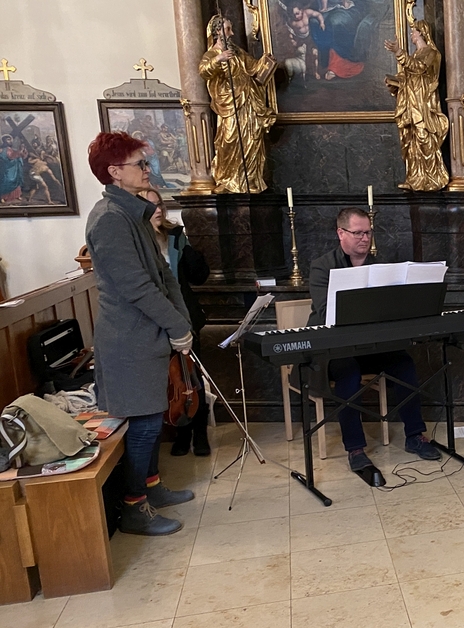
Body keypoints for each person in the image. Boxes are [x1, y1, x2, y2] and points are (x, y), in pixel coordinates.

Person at [85, 131, 195, 536]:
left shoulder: (133, 212)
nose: (148, 170)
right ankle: (134, 507)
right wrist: (175, 325)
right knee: (146, 424)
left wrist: (181, 321)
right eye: (140, 164)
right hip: (128, 340)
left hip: (148, 335)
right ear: (114, 172)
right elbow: (136, 288)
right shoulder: (110, 219)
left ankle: (152, 487)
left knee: (151, 419)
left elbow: (164, 276)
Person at [307, 207, 441, 471]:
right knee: (348, 372)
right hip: (335, 347)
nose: (364, 238)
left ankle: (415, 436)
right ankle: (355, 449)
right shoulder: (323, 266)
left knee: (404, 364)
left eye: (368, 232)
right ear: (341, 233)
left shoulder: (380, 267)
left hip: (370, 345)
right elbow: (325, 312)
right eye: (358, 233)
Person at [143, 188, 212, 457]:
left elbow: (199, 276)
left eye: (159, 204)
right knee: (171, 381)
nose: (158, 210)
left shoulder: (175, 237)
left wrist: (186, 247)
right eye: (150, 206)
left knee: (193, 378)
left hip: (185, 317)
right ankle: (181, 432)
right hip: (154, 323)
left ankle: (200, 433)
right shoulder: (137, 241)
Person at [199, 15, 277, 194]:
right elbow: (203, 71)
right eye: (228, 29)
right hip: (230, 105)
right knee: (229, 139)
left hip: (248, 102)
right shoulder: (212, 54)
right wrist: (218, 59)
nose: (232, 33)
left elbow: (254, 67)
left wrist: (266, 61)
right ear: (218, 31)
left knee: (252, 138)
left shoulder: (238, 52)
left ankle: (250, 179)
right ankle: (228, 179)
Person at [384, 21, 449, 191]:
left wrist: (399, 52)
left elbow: (419, 68)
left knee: (424, 137)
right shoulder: (415, 54)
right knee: (411, 141)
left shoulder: (431, 53)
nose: (412, 34)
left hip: (423, 104)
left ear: (422, 32)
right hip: (411, 103)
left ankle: (432, 178)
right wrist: (395, 82)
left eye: (414, 31)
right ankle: (415, 178)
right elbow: (408, 76)